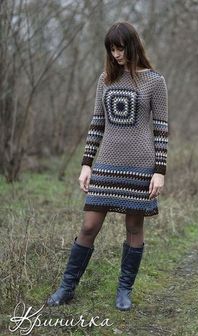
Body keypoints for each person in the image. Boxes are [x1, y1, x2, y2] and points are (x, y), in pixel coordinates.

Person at [47, 21, 168, 311]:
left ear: (133, 45)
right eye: (112, 49)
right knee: (89, 225)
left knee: (133, 226)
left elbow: (161, 129)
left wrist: (160, 171)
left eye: (120, 47)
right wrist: (86, 164)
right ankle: (67, 288)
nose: (116, 54)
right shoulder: (105, 80)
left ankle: (124, 291)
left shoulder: (154, 81)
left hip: (140, 166)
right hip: (106, 165)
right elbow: (97, 124)